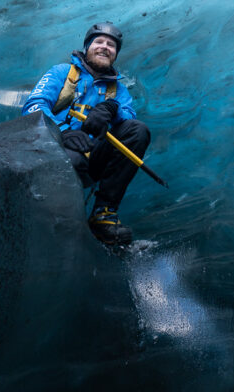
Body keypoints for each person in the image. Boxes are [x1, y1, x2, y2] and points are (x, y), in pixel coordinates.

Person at [22, 22, 150, 245]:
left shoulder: (118, 91)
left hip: (92, 158)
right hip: (54, 152)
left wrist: (111, 109)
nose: (104, 47)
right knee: (71, 159)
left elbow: (129, 121)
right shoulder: (62, 72)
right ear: (87, 47)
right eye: (98, 42)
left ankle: (104, 215)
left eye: (111, 45)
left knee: (139, 130)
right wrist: (61, 134)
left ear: (116, 54)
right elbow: (33, 106)